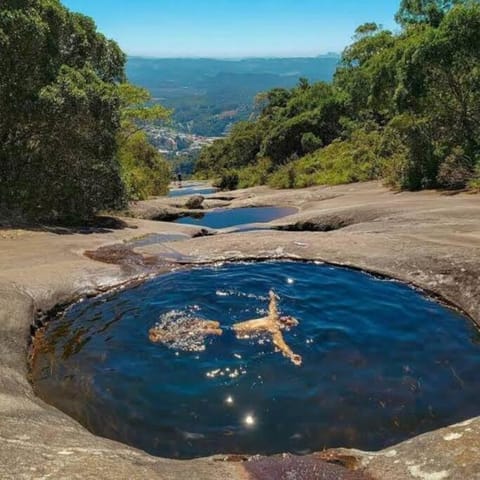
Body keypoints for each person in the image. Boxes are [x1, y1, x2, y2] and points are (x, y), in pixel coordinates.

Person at [233, 291, 302, 366]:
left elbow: (281, 344)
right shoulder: (273, 317)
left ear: (288, 325)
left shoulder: (275, 330)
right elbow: (272, 306)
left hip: (234, 334)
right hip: (234, 327)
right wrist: (272, 297)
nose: (287, 316)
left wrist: (291, 355)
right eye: (289, 316)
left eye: (290, 318)